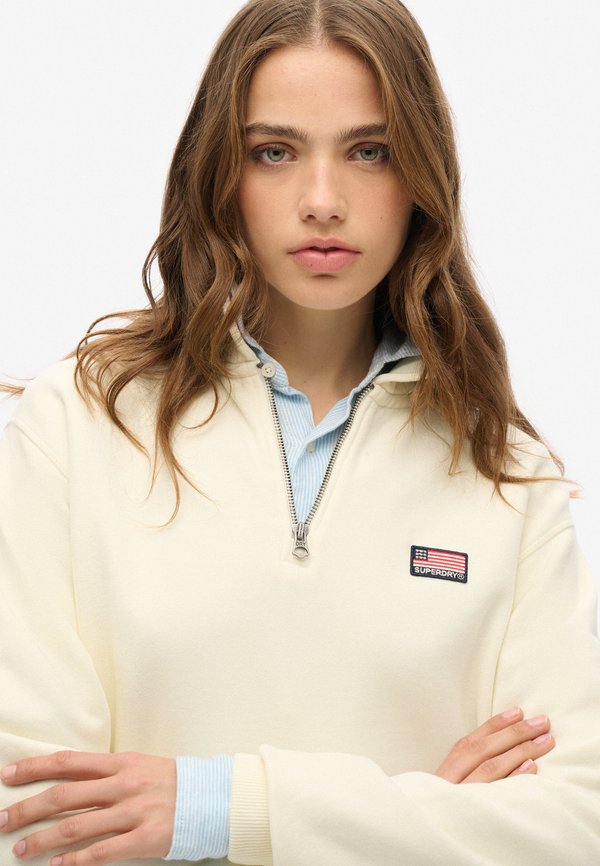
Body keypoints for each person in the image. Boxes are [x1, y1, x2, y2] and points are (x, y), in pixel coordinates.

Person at [0, 0, 599, 863]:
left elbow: (577, 825)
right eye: (274, 152)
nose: (323, 201)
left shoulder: (508, 478)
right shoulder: (79, 424)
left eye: (370, 151)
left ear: (421, 175)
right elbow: (34, 817)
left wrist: (215, 806)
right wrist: (422, 820)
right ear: (220, 174)